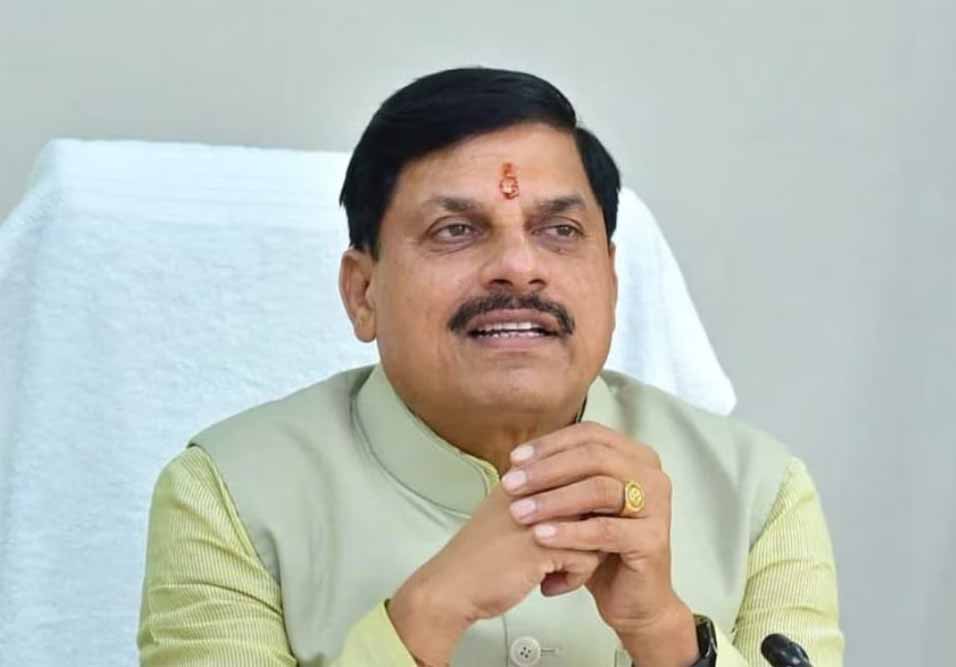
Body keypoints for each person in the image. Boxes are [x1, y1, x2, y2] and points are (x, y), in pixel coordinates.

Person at [137, 67, 844, 667]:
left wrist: (662, 632)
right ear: (363, 292)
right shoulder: (230, 494)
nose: (518, 266)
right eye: (456, 230)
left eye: (559, 230)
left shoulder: (756, 494)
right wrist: (430, 611)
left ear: (611, 281)